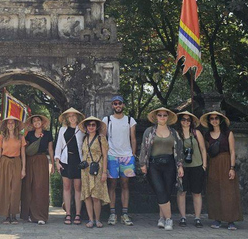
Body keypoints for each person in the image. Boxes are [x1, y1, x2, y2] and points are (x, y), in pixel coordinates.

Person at [139, 107, 184, 231]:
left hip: (169, 164)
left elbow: (179, 150)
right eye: (160, 115)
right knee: (159, 190)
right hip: (154, 165)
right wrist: (143, 164)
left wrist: (180, 165)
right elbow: (144, 147)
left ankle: (161, 218)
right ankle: (169, 218)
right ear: (156, 117)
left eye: (165, 115)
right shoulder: (149, 131)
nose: (162, 117)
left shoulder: (174, 132)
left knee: (167, 191)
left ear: (168, 117)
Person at [199, 111, 242, 230]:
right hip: (213, 164)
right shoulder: (207, 135)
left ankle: (231, 220)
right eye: (211, 118)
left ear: (220, 120)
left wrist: (232, 168)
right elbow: (205, 151)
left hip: (226, 162)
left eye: (216, 118)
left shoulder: (228, 133)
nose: (214, 120)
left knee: (229, 191)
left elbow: (232, 151)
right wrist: (205, 165)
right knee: (214, 191)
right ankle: (217, 218)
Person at [102, 96, 137, 226]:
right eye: (115, 103)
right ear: (112, 105)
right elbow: (103, 137)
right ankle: (112, 214)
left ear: (123, 105)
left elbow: (133, 138)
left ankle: (125, 213)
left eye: (120, 103)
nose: (117, 106)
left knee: (125, 184)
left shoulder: (130, 120)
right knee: (112, 185)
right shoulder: (107, 120)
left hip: (126, 156)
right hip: (112, 156)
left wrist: (132, 154)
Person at [54, 107, 85, 225]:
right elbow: (59, 145)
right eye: (70, 116)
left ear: (77, 117)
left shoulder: (82, 129)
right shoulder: (63, 129)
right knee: (67, 187)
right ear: (67, 118)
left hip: (78, 160)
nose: (72, 118)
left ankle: (77, 213)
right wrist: (57, 161)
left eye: (74, 116)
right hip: (65, 160)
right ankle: (68, 213)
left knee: (78, 188)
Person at [21, 114, 54, 224]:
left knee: (41, 187)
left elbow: (50, 149)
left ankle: (41, 216)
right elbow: (24, 149)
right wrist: (23, 166)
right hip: (30, 161)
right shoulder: (29, 135)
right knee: (29, 186)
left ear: (42, 122)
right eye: (34, 121)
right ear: (32, 124)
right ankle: (30, 214)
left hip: (42, 160)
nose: (36, 122)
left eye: (38, 120)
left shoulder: (48, 134)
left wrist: (53, 164)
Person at [176, 111, 207, 228]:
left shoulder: (196, 133)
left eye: (188, 120)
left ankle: (197, 218)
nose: (186, 122)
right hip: (182, 167)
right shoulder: (177, 133)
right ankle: (183, 217)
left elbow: (203, 149)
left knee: (197, 192)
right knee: (182, 192)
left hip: (197, 165)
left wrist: (204, 165)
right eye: (183, 119)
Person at [78, 117, 109, 228]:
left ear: (97, 127)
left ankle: (98, 219)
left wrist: (105, 172)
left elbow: (105, 156)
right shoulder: (84, 138)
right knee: (87, 196)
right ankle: (90, 219)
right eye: (89, 125)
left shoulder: (101, 138)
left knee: (96, 196)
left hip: (97, 169)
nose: (91, 127)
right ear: (86, 127)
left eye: (93, 125)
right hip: (86, 170)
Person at [0, 116, 26, 224]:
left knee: (15, 188)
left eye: (12, 123)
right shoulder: (2, 137)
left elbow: (23, 154)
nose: (11, 125)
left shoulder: (20, 137)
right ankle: (6, 215)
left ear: (16, 125)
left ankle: (14, 214)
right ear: (6, 125)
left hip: (16, 162)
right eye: (9, 123)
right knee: (5, 188)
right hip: (4, 162)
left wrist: (23, 169)